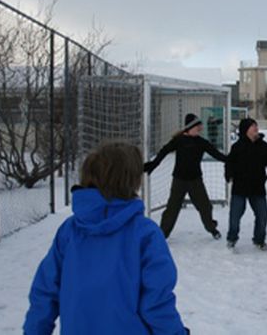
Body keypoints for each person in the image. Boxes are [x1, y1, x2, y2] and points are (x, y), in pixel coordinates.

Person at [24, 142, 188, 334]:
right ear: (131, 180)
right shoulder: (145, 234)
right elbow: (157, 302)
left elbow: (44, 293)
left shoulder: (69, 231)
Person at [144, 113, 227, 240]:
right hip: (179, 180)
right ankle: (163, 233)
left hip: (196, 181)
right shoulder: (179, 140)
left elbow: (217, 155)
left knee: (205, 206)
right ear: (190, 127)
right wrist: (153, 165)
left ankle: (212, 228)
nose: (200, 128)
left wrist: (232, 160)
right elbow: (164, 151)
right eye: (197, 126)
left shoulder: (201, 142)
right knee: (172, 208)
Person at [225, 118, 267, 251]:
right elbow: (229, 163)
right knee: (235, 217)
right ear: (245, 130)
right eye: (252, 126)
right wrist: (229, 175)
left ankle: (259, 240)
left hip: (257, 187)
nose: (256, 128)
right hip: (240, 187)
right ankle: (232, 238)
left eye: (256, 125)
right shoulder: (237, 147)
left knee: (262, 215)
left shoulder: (263, 146)